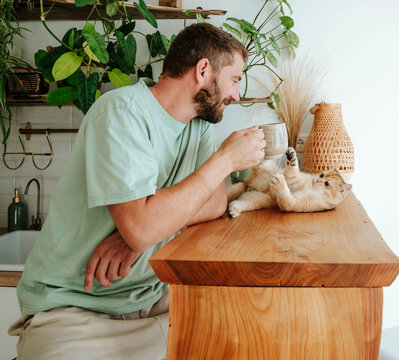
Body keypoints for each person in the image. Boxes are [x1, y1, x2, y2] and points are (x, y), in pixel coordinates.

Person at [8, 22, 266, 359]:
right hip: (74, 311)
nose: (236, 94)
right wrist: (226, 159)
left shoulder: (199, 126)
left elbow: (215, 202)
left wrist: (141, 236)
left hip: (150, 300)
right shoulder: (120, 112)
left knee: (243, 329)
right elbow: (142, 228)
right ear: (204, 71)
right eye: (234, 80)